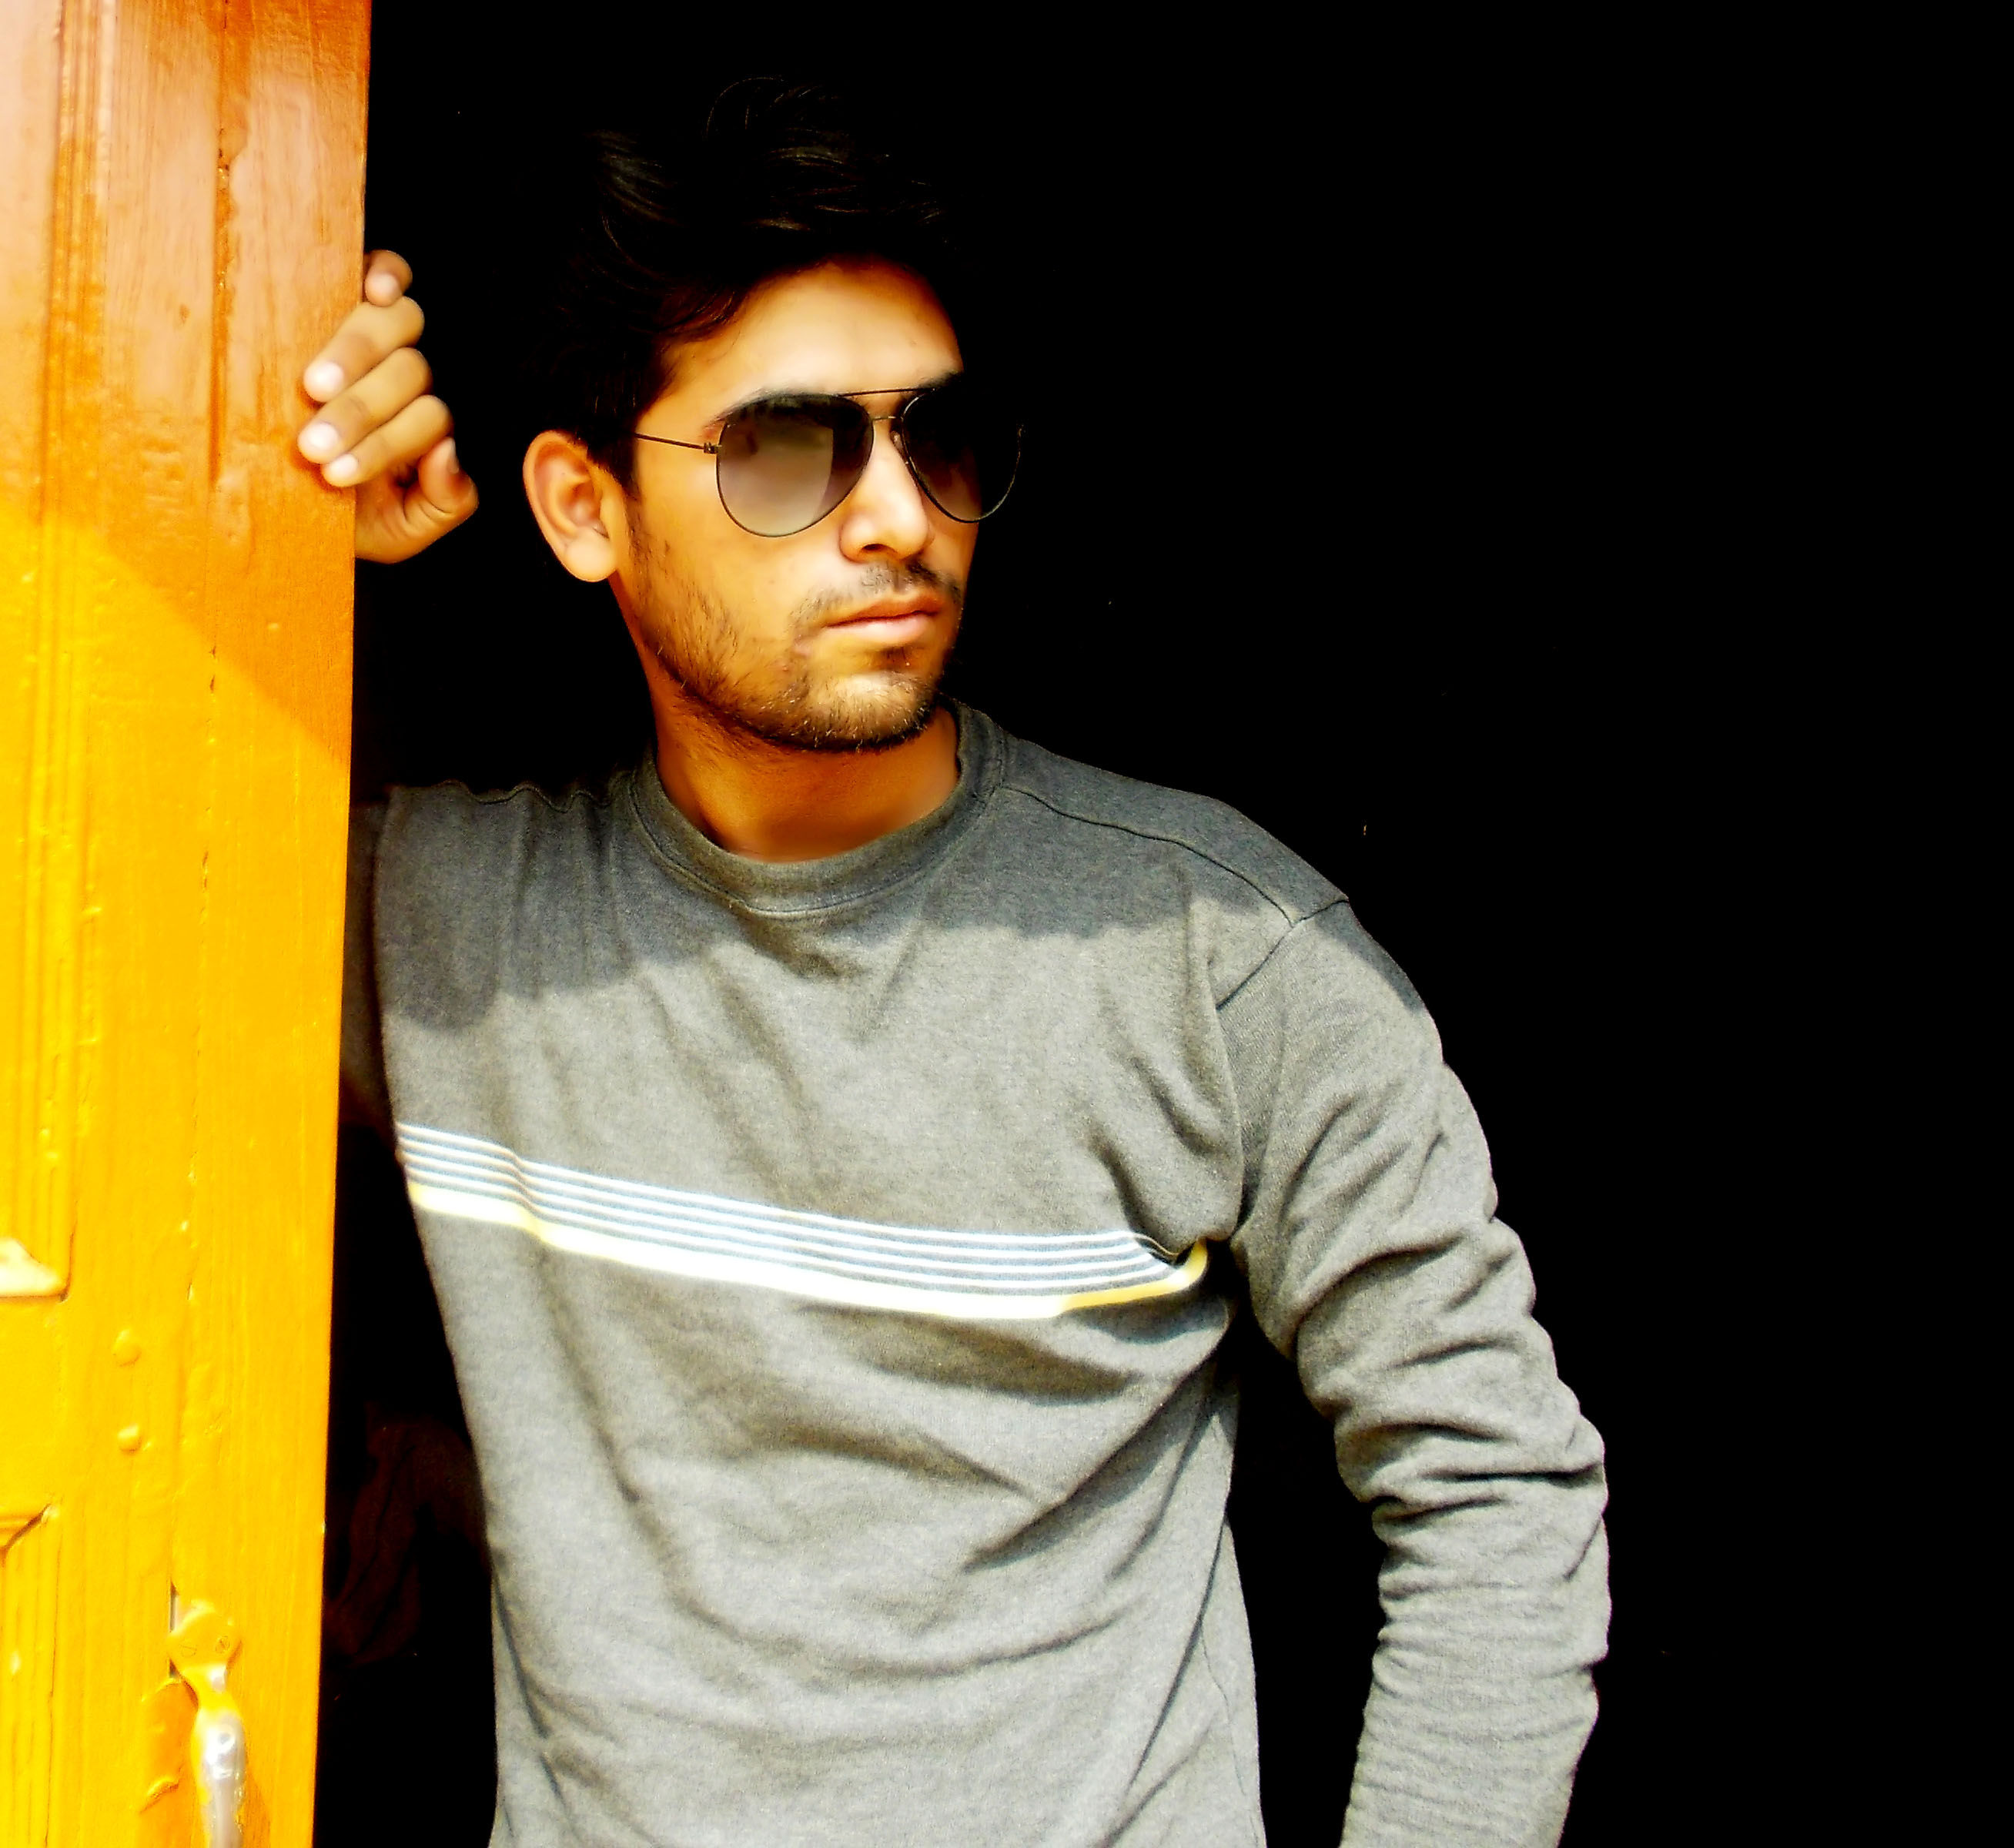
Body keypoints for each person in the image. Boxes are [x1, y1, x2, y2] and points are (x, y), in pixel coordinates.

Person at [307, 80, 1608, 1847]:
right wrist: (281, 540)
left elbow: (1497, 1494)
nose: (899, 519)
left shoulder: (1221, 961)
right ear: (582, 506)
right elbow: (94, 919)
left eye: (938, 440)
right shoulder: (451, 937)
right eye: (788, 450)